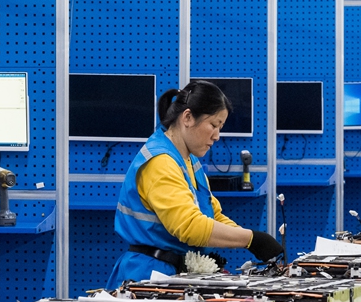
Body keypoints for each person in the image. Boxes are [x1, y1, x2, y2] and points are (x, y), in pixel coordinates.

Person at [105, 81, 285, 288]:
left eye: (220, 127)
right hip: (148, 276)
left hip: (172, 272)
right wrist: (251, 239)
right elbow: (190, 226)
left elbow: (212, 215)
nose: (217, 136)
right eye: (214, 125)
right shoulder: (160, 162)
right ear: (188, 118)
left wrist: (252, 241)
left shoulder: (190, 161)